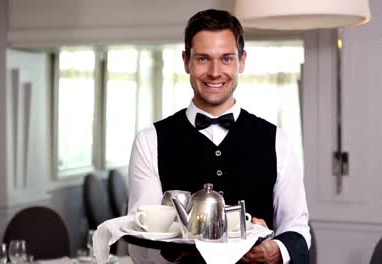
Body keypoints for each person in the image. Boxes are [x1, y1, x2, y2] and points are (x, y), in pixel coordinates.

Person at [127, 9, 310, 264]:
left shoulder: (278, 140)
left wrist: (275, 250)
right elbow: (141, 244)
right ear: (186, 61)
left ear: (242, 61)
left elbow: (298, 229)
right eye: (203, 59)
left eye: (226, 59)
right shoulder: (149, 140)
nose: (215, 72)